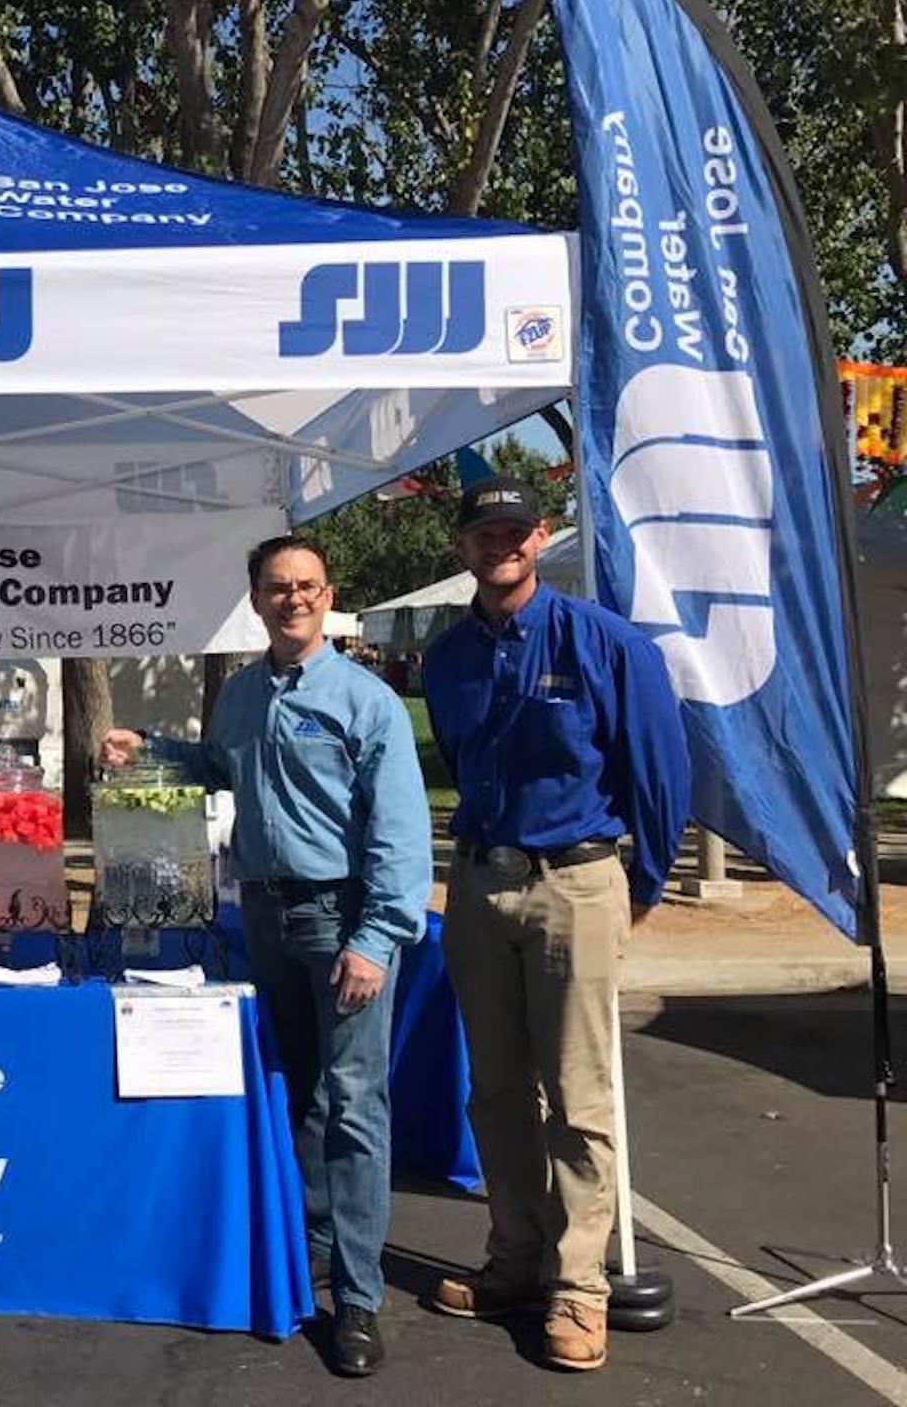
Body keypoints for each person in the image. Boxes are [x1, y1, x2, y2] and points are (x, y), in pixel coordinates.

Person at [100, 534, 430, 1378]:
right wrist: (152, 748)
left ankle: (358, 1300)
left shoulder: (366, 701)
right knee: (301, 1094)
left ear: (328, 596)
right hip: (268, 920)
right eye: (279, 587)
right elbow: (219, 766)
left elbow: (399, 833)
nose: (294, 599)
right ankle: (313, 1246)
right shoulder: (243, 696)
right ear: (256, 598)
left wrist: (374, 938)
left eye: (308, 586)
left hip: (340, 917)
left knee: (355, 1105)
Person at [420, 478, 689, 1373]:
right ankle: (517, 1260)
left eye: (513, 529)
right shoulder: (448, 655)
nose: (498, 544)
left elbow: (657, 771)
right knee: (496, 1093)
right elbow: (459, 759)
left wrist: (640, 883)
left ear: (539, 536)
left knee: (580, 1098)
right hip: (480, 884)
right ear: (462, 546)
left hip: (575, 882)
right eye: (481, 532)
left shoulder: (604, 643)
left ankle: (580, 1289)